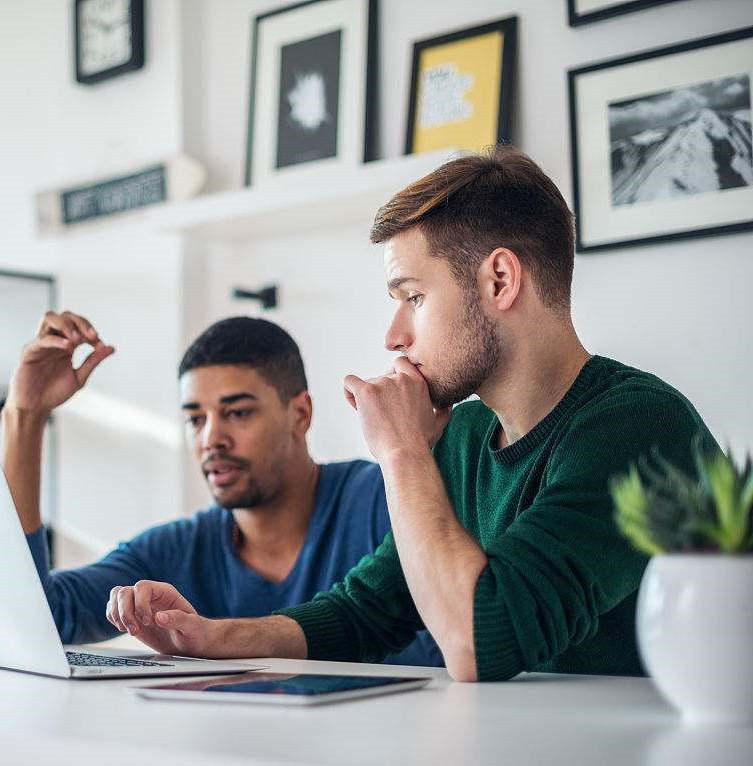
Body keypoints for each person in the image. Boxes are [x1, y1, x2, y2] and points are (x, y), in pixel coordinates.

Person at [105, 146, 717, 682]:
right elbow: (368, 611)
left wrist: (401, 452)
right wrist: (210, 638)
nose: (393, 335)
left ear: (500, 280)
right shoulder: (470, 435)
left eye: (414, 297)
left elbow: (479, 642)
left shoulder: (640, 428)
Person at [0, 311, 443, 667]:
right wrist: (24, 414)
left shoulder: (385, 499)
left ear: (300, 415)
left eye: (238, 413)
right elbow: (43, 616)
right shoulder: (178, 549)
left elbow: (447, 643)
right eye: (195, 418)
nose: (211, 438)